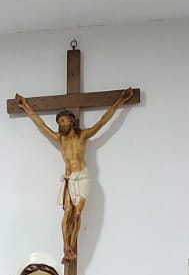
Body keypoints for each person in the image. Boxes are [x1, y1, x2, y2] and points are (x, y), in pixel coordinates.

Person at [13, 89, 136, 263]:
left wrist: (121, 101)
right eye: (59, 122)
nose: (60, 125)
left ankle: (71, 248)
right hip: (69, 178)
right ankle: (66, 248)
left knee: (77, 215)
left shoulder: (82, 136)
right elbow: (40, 124)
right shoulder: (60, 139)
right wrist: (25, 106)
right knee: (67, 213)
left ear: (71, 121)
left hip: (83, 177)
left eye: (63, 121)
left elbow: (103, 122)